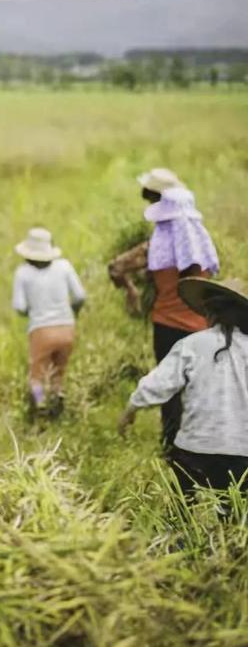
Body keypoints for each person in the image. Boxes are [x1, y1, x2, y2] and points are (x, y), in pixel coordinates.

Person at [118, 278, 248, 507]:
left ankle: (182, 527)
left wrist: (130, 410)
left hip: (194, 454)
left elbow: (157, 384)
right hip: (242, 457)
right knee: (234, 510)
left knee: (184, 503)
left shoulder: (191, 345)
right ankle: (229, 532)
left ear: (208, 313)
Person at [137, 168, 219, 449]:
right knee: (198, 389)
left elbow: (166, 277)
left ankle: (173, 444)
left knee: (171, 388)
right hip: (202, 325)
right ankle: (197, 445)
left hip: (170, 325)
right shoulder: (197, 234)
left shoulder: (167, 237)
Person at [12, 227, 85, 417]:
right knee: (58, 371)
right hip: (67, 328)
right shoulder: (64, 266)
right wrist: (72, 312)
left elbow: (19, 306)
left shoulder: (23, 273)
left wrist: (33, 312)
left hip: (41, 330)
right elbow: (80, 296)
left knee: (37, 374)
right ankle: (57, 397)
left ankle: (40, 404)